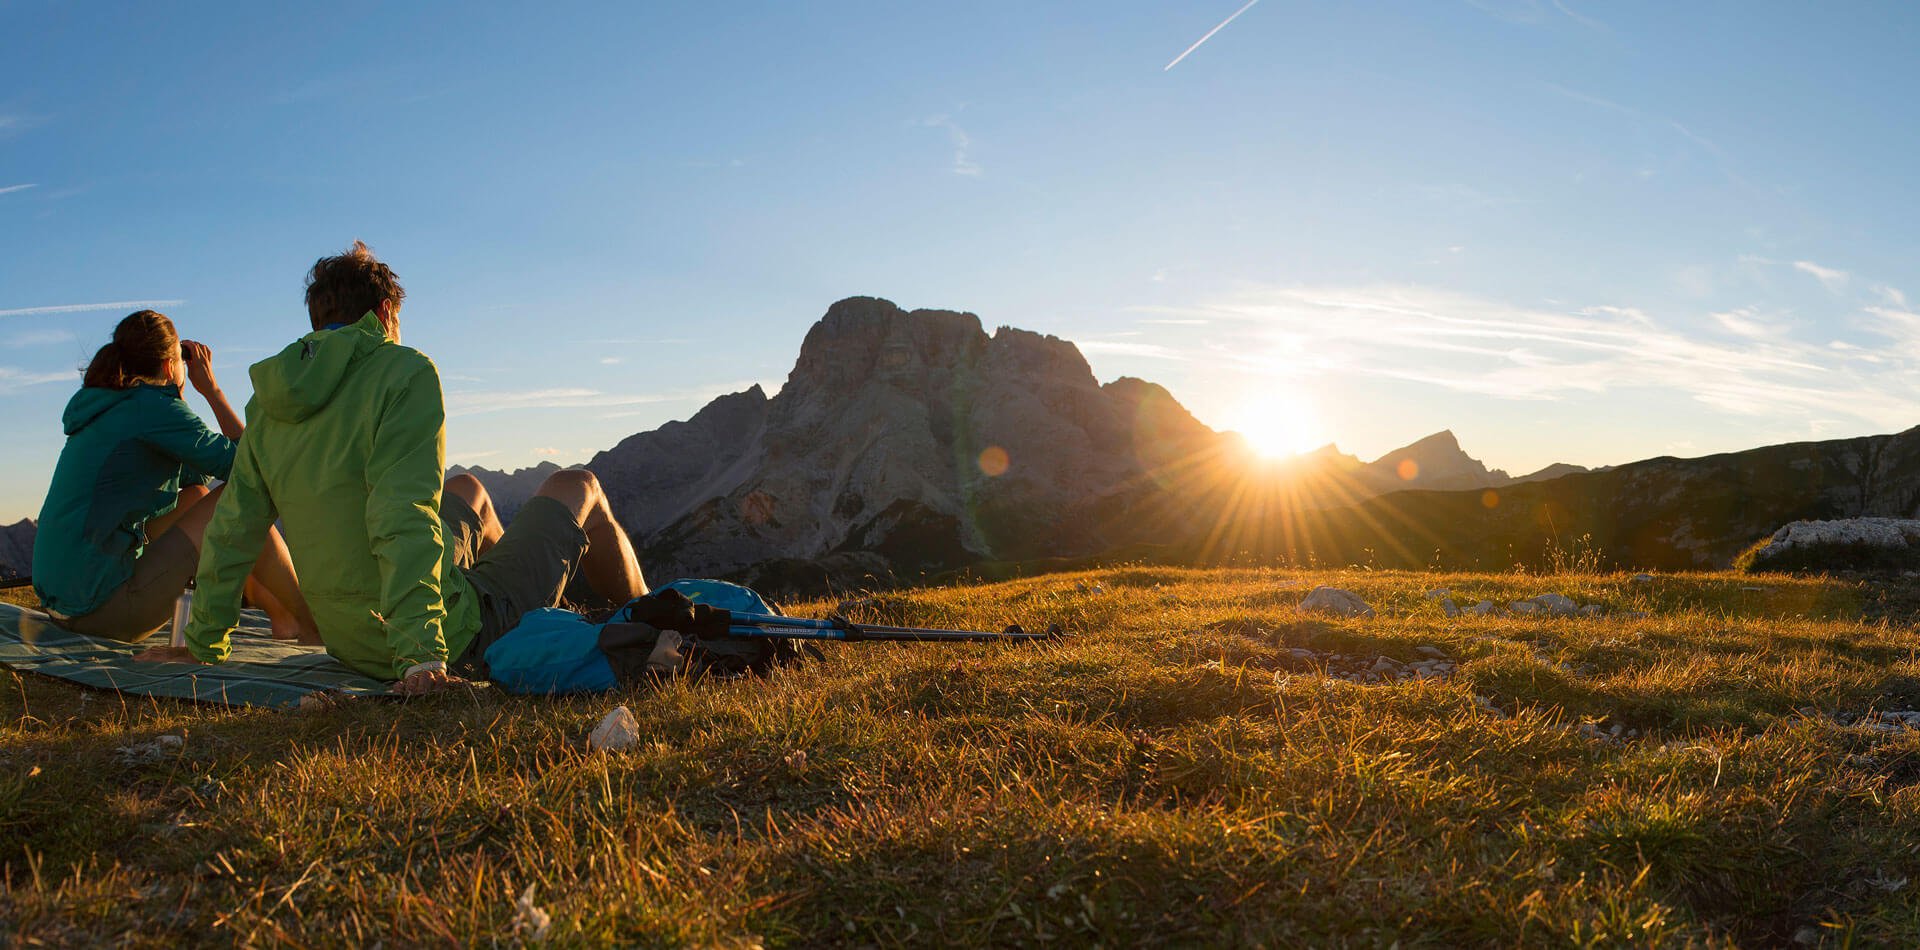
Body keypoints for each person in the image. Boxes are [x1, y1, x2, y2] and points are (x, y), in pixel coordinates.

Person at [154, 241, 649, 694]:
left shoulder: (268, 408)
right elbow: (400, 514)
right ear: (386, 312)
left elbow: (234, 529)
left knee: (468, 488)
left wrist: (203, 643)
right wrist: (421, 658)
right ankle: (647, 614)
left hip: (351, 642)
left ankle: (519, 608)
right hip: (436, 641)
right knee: (579, 485)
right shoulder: (403, 371)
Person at [33, 310, 317, 643]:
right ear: (171, 365)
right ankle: (309, 623)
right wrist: (211, 391)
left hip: (67, 605)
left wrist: (178, 398)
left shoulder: (117, 404)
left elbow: (196, 473)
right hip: (102, 610)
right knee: (239, 495)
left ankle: (284, 618)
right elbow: (253, 470)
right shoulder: (152, 409)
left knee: (195, 495)